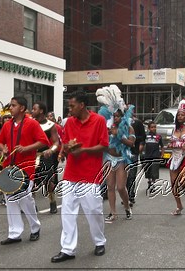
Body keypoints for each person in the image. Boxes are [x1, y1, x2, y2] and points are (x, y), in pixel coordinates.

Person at [51, 91, 108, 263]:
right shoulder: (69, 123)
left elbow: (104, 146)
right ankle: (67, 249)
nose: (70, 109)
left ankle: (99, 242)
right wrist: (65, 151)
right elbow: (66, 143)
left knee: (94, 212)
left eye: (72, 106)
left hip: (91, 174)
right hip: (71, 173)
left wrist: (83, 150)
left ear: (82, 105)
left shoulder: (99, 120)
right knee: (67, 212)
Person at [0, 96, 49, 245]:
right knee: (10, 200)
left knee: (26, 200)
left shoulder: (32, 123)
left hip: (26, 168)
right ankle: (14, 233)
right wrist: (3, 148)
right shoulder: (7, 125)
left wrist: (26, 148)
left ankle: (34, 228)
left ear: (22, 108)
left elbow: (44, 141)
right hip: (9, 167)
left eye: (13, 105)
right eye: (10, 105)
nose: (10, 108)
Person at [103, 109, 135, 223]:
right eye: (114, 116)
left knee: (121, 187)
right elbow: (103, 144)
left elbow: (131, 143)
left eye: (118, 116)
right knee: (110, 187)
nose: (116, 118)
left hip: (122, 159)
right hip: (109, 159)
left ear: (123, 117)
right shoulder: (108, 128)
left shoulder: (129, 128)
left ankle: (127, 208)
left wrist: (119, 136)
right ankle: (113, 212)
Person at [31, 101, 61, 214]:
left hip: (45, 156)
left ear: (41, 111)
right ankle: (32, 205)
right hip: (31, 156)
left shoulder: (50, 125)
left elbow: (56, 142)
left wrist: (51, 150)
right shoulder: (30, 123)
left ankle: (52, 201)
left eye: (35, 109)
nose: (32, 111)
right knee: (31, 181)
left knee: (48, 180)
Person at [126, 115, 145, 206]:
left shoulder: (137, 123)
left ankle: (131, 196)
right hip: (122, 153)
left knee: (132, 175)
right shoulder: (120, 123)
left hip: (134, 151)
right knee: (124, 176)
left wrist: (136, 141)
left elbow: (143, 136)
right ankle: (126, 195)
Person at [142, 121, 164, 194]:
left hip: (155, 156)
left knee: (154, 171)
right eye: (152, 127)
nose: (153, 128)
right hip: (147, 156)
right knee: (148, 170)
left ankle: (153, 183)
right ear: (148, 128)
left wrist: (162, 154)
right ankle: (149, 181)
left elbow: (162, 146)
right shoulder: (145, 136)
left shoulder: (158, 136)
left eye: (155, 127)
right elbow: (142, 144)